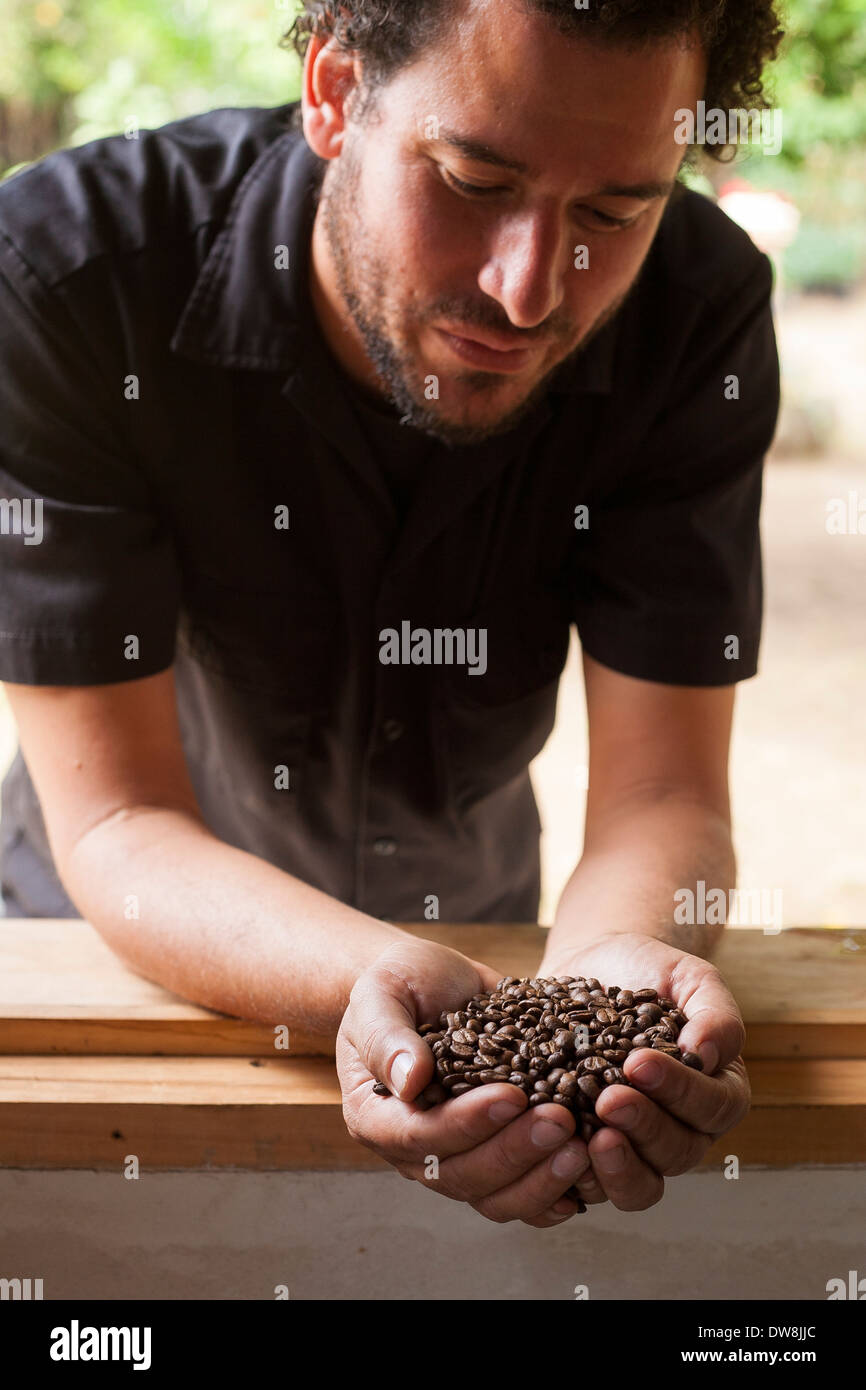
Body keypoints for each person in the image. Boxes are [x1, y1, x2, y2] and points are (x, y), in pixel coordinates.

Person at [0, 0, 783, 1225]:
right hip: (121, 962)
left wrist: (599, 992)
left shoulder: (695, 308)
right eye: (474, 178)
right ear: (332, 91)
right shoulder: (68, 275)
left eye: (612, 213)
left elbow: (662, 792)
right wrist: (370, 976)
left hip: (484, 929)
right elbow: (116, 816)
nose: (528, 292)